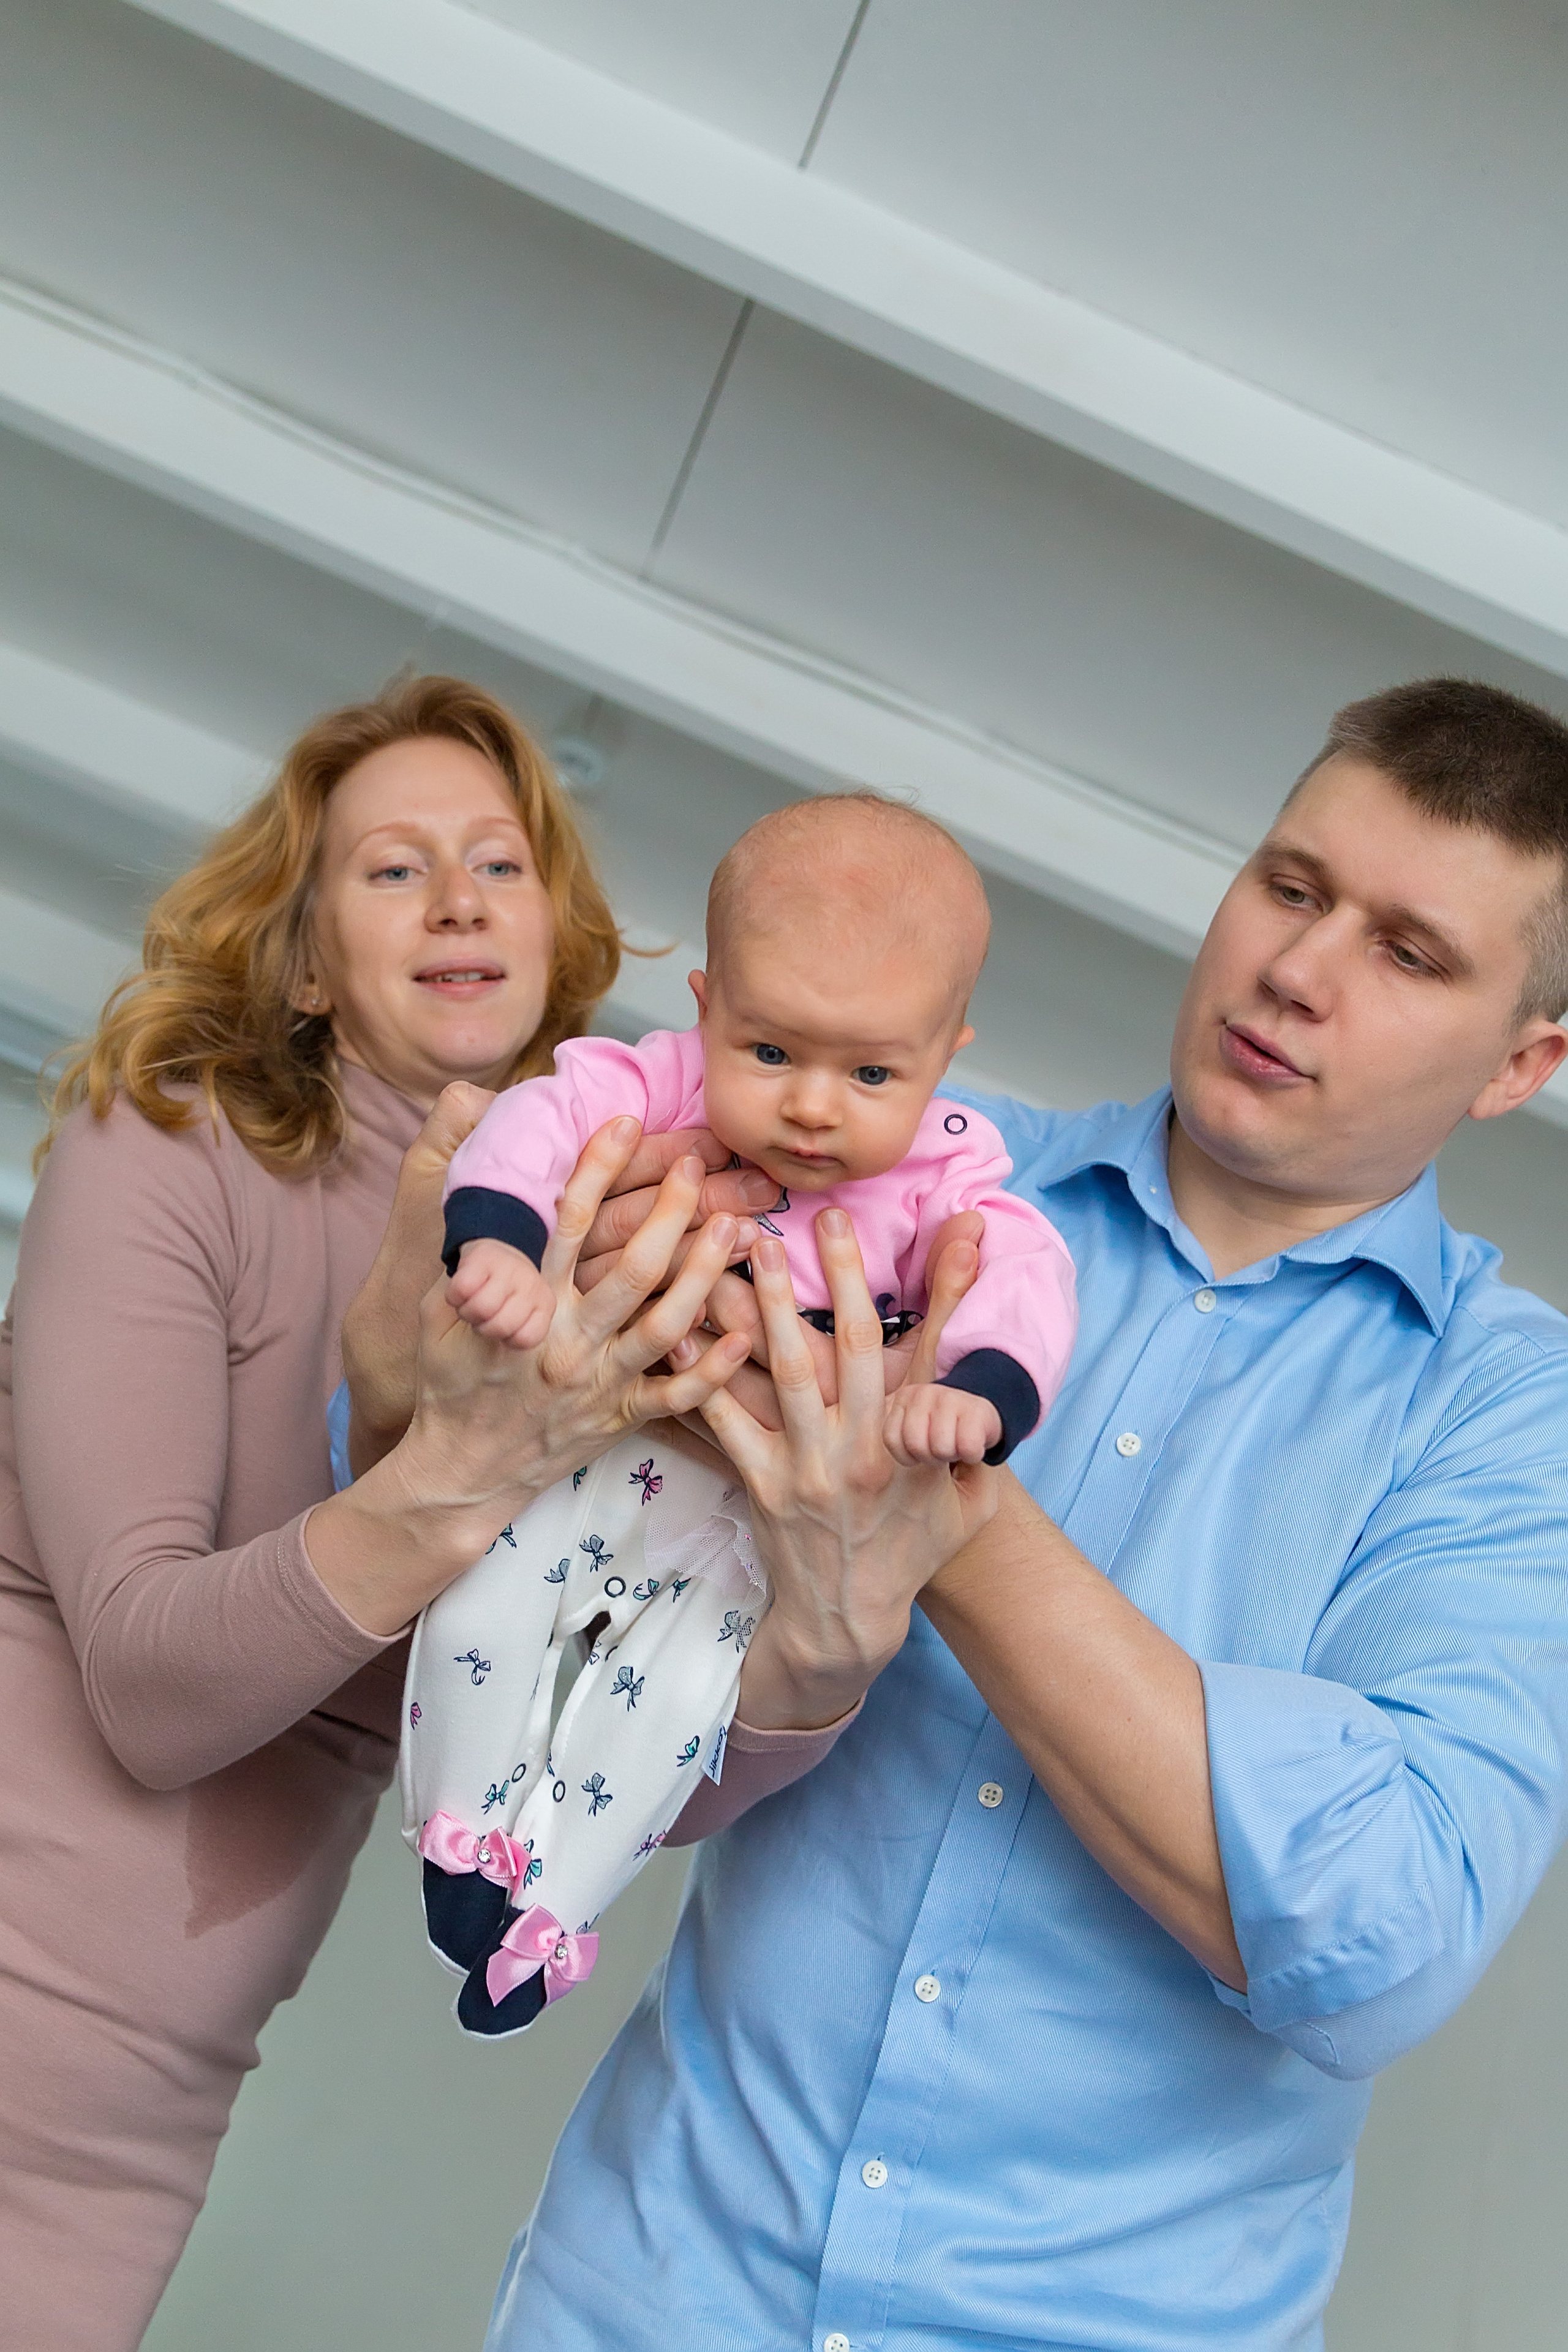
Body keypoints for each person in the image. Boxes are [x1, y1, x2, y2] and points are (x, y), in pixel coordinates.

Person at [477, 677, 1568, 2352]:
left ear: (1526, 1061)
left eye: (1410, 953)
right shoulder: (867, 1192)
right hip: (650, 2292)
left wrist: (946, 1506)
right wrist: (535, 1312)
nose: (1300, 969)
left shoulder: (1516, 1418)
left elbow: (1379, 1933)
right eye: (1291, 886)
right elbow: (540, 1632)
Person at [0, 674, 761, 2352]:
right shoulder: (179, 1153)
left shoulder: (608, 1270)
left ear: (556, 933)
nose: (458, 899)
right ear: (307, 956)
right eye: (393, 869)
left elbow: (649, 1751)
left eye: (498, 863)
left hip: (133, 2130)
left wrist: (832, 1609)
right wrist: (465, 1468)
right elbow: (148, 1688)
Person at [405, 797, 1077, 2038]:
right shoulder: (659, 1084)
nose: (815, 1108)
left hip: (745, 1535)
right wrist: (499, 1232)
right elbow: (541, 1115)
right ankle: (459, 1838)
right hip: (600, 1464)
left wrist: (978, 1392)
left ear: (943, 1056)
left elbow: (1022, 1272)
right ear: (707, 1008)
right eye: (770, 1054)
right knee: (485, 1610)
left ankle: (551, 1912)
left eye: (871, 1072)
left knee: (660, 1707)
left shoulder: (946, 1171)